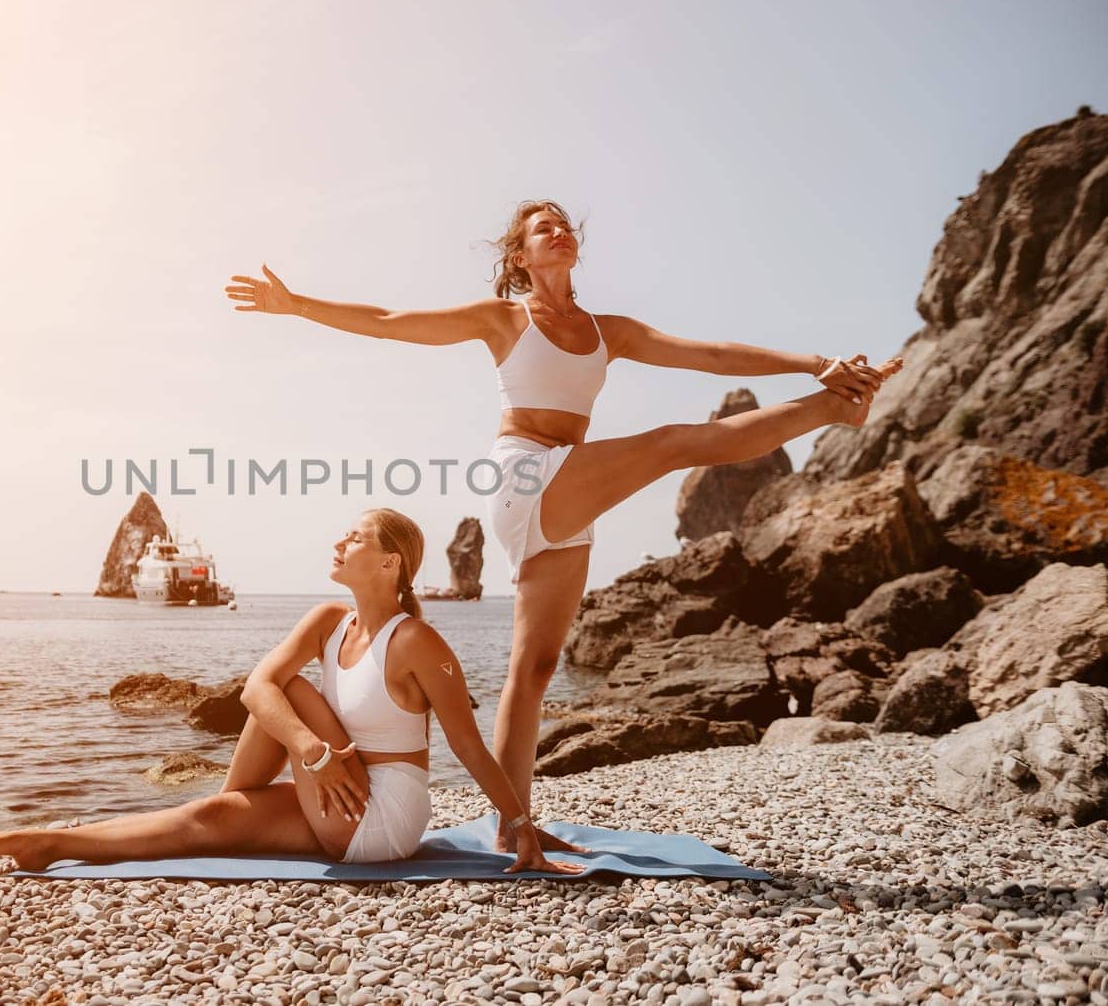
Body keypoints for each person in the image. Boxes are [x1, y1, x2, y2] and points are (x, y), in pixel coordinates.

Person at [224, 200, 902, 849]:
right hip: (525, 477)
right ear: (519, 255)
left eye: (564, 225)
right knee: (674, 441)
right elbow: (389, 318)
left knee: (535, 667)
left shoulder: (612, 331)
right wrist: (296, 304)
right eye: (542, 228)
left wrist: (813, 360)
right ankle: (833, 410)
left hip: (567, 494)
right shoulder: (503, 319)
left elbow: (713, 354)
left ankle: (512, 824)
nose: (558, 232)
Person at [0, 508, 587, 875]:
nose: (339, 545)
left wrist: (520, 825)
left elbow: (469, 747)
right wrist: (311, 752)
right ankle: (52, 842)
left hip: (383, 816)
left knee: (294, 691)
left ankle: (77, 837)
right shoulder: (325, 621)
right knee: (212, 813)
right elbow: (254, 689)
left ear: (390, 564)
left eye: (355, 540)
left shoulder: (415, 641)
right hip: (335, 783)